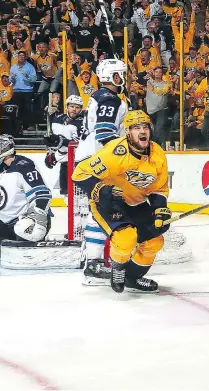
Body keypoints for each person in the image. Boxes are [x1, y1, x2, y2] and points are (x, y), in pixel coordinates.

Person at [71, 110, 170, 293]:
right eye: (136, 128)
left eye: (145, 127)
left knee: (155, 241)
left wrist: (159, 210)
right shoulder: (113, 153)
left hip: (136, 203)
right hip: (109, 203)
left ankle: (132, 278)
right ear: (128, 132)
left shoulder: (158, 155)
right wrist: (101, 191)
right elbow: (79, 174)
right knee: (126, 238)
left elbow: (158, 188)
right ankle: (118, 270)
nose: (142, 131)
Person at [74, 58, 129, 285]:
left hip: (92, 159)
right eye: (122, 74)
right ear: (114, 76)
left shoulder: (103, 97)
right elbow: (105, 135)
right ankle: (93, 263)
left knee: (100, 208)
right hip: (98, 160)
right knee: (103, 208)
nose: (125, 77)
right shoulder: (108, 98)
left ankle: (92, 259)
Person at [0, 135, 52, 261]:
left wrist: (38, 219)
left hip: (25, 221)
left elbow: (42, 194)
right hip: (6, 224)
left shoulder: (23, 165)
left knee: (23, 247)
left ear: (6, 150)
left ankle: (38, 241)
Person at [43, 95, 87, 196]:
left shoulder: (82, 123)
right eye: (72, 106)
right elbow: (52, 140)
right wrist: (50, 153)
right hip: (64, 163)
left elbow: (78, 145)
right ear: (67, 106)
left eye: (77, 107)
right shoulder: (57, 119)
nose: (74, 109)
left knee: (79, 195)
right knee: (65, 194)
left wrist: (61, 142)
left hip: (77, 163)